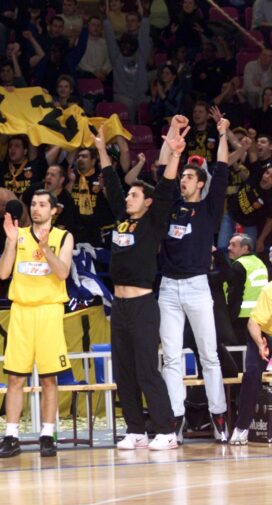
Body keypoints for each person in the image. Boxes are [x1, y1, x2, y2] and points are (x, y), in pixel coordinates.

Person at [93, 121, 183, 451]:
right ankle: (136, 430)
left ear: (147, 202)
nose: (129, 197)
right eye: (129, 194)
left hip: (144, 305)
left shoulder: (154, 221)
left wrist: (174, 155)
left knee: (147, 370)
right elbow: (112, 182)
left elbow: (167, 189)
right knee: (124, 372)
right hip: (119, 306)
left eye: (135, 195)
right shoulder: (122, 218)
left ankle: (166, 430)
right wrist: (101, 149)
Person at [159, 116, 232, 444]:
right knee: (171, 357)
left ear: (200, 183)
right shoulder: (170, 207)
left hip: (197, 286)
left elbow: (222, 170)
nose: (183, 181)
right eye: (183, 177)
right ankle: (175, 418)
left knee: (209, 355)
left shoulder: (209, 210)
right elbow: (164, 170)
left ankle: (219, 415)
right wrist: (173, 135)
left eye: (189, 177)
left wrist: (223, 135)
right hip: (168, 288)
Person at [0, 189, 74, 458]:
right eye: (34, 204)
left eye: (42, 204)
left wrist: (44, 249)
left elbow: (62, 273)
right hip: (21, 311)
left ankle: (47, 435)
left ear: (54, 210)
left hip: (49, 311)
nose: (36, 208)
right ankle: (11, 436)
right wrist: (10, 243)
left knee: (49, 378)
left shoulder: (63, 236)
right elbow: (2, 273)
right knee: (15, 377)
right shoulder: (18, 235)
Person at [234, 274, 272, 445]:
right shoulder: (269, 290)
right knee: (252, 373)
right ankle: (241, 427)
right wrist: (260, 344)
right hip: (263, 335)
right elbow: (253, 323)